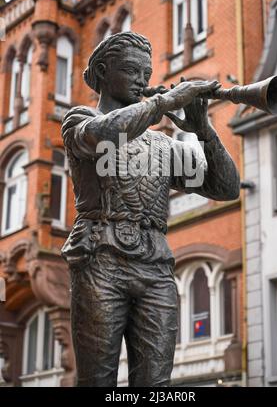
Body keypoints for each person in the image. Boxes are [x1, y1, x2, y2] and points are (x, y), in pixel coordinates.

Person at [61, 31, 240, 387]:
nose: (142, 79)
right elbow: (108, 133)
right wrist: (165, 102)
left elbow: (226, 187)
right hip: (100, 258)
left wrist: (204, 129)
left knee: (156, 385)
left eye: (146, 71)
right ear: (101, 70)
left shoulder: (161, 144)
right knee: (98, 381)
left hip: (156, 265)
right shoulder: (79, 121)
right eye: (130, 69)